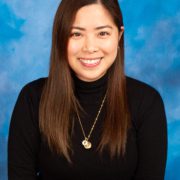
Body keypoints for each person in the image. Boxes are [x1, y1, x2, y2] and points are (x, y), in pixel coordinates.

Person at [8, 0, 167, 179]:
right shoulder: (32, 98)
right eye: (76, 34)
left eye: (103, 33)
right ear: (60, 37)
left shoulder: (147, 102)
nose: (90, 47)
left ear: (119, 35)